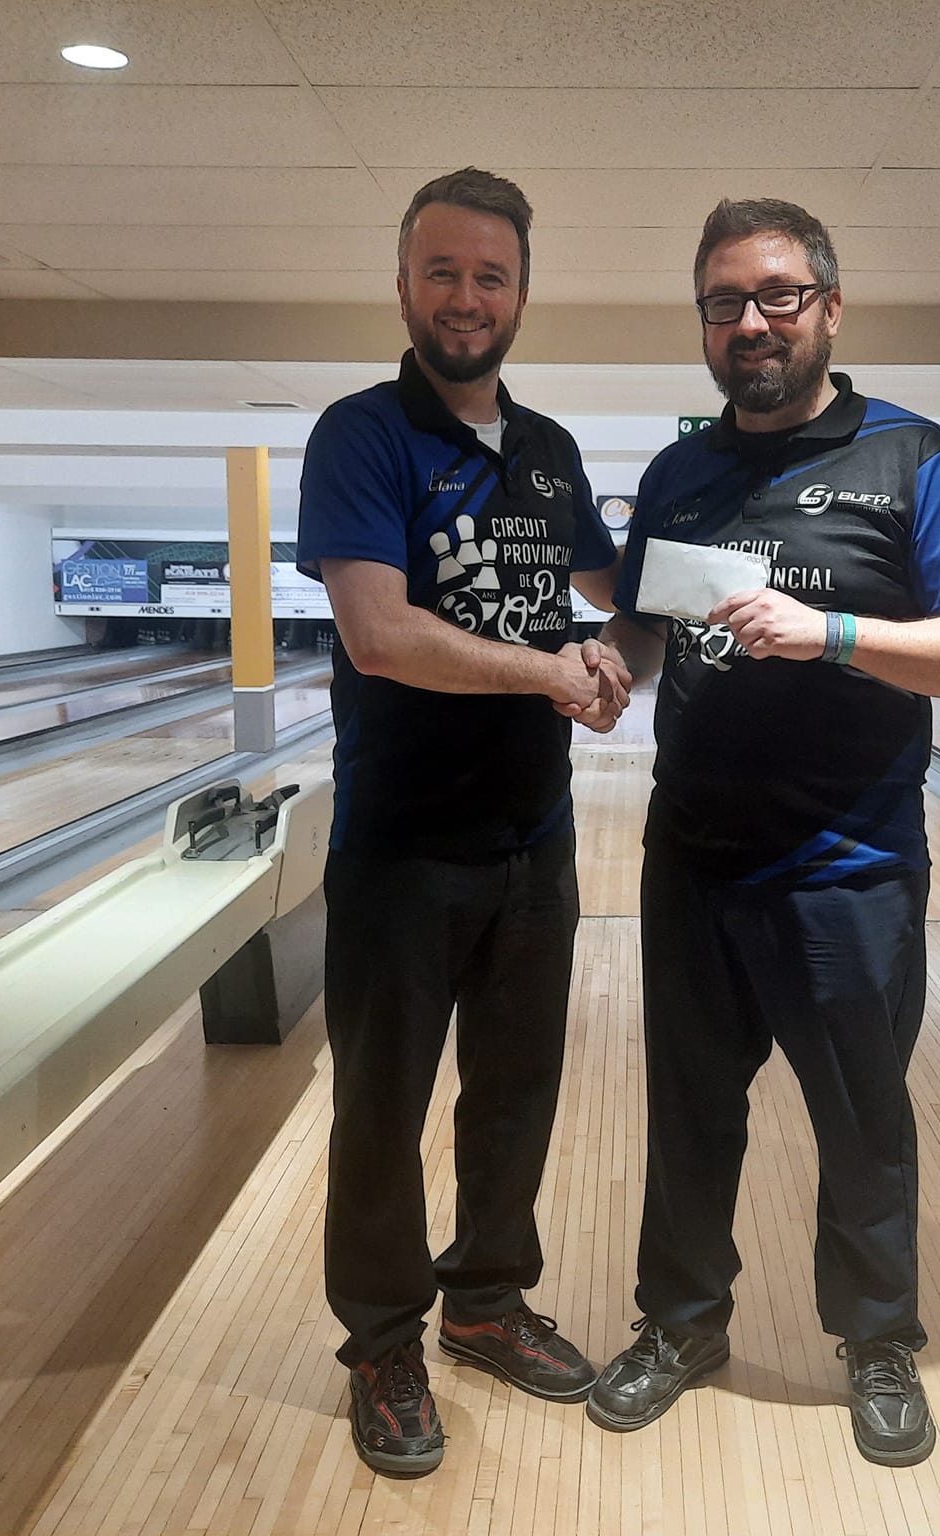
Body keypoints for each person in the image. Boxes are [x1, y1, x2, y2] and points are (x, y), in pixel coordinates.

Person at [585, 198, 940, 1467]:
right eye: (724, 302)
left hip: (848, 863)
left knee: (860, 1121)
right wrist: (605, 665)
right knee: (687, 1113)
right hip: (692, 855)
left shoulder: (912, 456)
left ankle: (877, 1343)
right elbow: (650, 627)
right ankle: (680, 1326)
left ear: (828, 308)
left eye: (776, 296)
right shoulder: (680, 473)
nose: (751, 322)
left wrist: (826, 632)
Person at [296, 167, 630, 1477]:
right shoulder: (361, 436)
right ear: (403, 286)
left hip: (533, 840)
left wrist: (614, 649)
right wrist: (554, 671)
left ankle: (485, 1300)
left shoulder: (548, 451)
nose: (465, 296)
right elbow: (379, 635)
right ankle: (384, 1341)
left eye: (490, 275)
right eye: (441, 271)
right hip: (401, 844)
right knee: (380, 1110)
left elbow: (614, 586)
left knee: (514, 1092)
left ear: (522, 294)